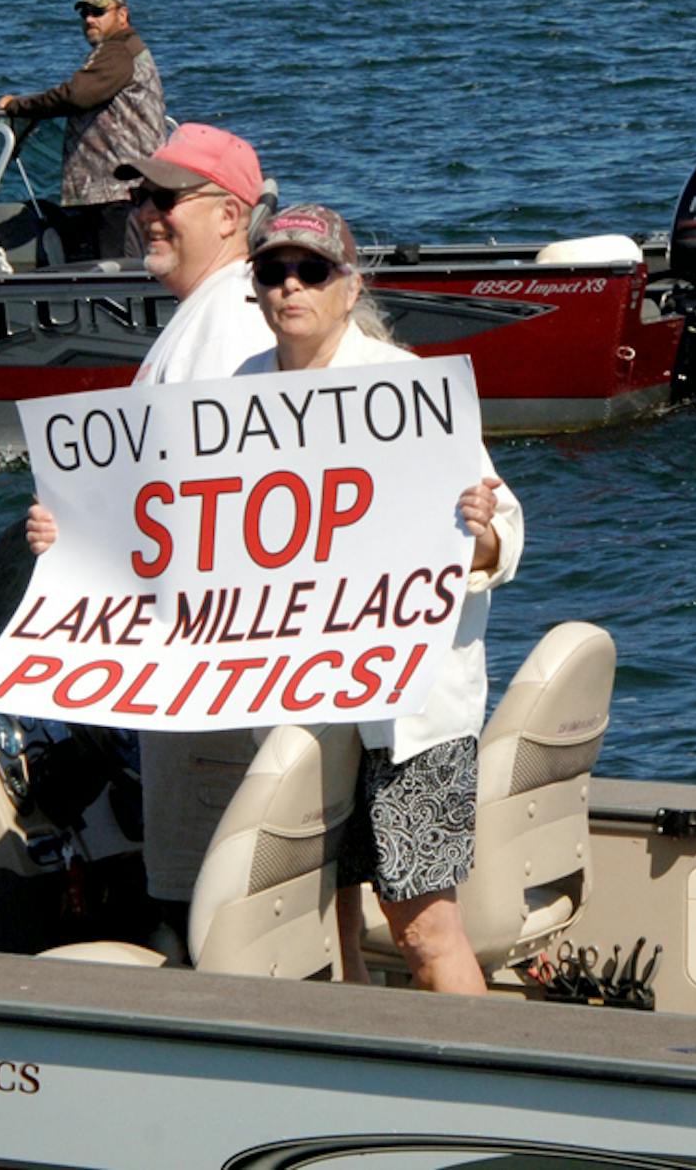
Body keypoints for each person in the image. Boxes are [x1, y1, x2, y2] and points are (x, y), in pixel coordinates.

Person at [237, 203, 523, 994]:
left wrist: (478, 534)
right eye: (273, 271)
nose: (291, 285)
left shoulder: (406, 387)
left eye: (312, 271)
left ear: (349, 284)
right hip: (296, 690)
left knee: (426, 928)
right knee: (322, 916)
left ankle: (485, 1097)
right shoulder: (237, 394)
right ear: (255, 287)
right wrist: (78, 538)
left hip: (414, 705)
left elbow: (504, 528)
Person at [26, 122, 274, 939]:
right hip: (192, 673)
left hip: (217, 685)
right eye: (139, 196)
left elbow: (224, 502)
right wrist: (79, 530)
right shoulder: (205, 318)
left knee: (206, 907)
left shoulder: (233, 326)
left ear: (232, 215)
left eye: (167, 198)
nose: (145, 213)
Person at [0, 0, 166, 262]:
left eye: (98, 11)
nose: (89, 19)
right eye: (84, 12)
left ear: (122, 15)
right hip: (119, 189)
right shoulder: (126, 50)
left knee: (114, 274)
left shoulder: (117, 51)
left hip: (116, 192)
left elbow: (77, 95)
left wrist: (18, 106)